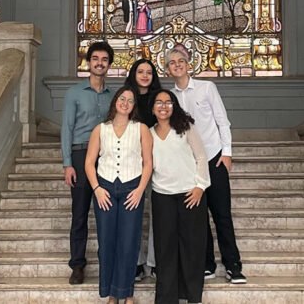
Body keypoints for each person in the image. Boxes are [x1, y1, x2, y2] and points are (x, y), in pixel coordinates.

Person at [165, 45, 247, 284]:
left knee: (222, 214)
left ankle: (233, 266)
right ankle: (207, 264)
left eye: (181, 60)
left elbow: (223, 121)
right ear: (168, 69)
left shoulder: (207, 88)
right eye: (172, 62)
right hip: (189, 165)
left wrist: (227, 153)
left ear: (189, 64)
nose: (177, 64)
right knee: (198, 218)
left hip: (214, 158)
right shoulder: (169, 98)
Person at [85, 86, 153, 304]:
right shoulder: (100, 130)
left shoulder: (141, 129)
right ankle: (111, 294)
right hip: (105, 187)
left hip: (132, 188)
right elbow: (88, 163)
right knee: (107, 242)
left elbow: (148, 163)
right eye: (122, 98)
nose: (125, 102)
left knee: (129, 242)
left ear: (134, 106)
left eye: (130, 100)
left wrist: (140, 189)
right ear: (115, 101)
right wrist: (97, 188)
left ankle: (127, 293)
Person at [149, 89, 210, 304]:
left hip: (189, 194)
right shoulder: (148, 133)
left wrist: (200, 187)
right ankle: (167, 298)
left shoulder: (185, 128)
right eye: (159, 102)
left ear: (174, 106)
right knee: (165, 249)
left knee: (192, 247)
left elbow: (201, 157)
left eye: (168, 102)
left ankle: (193, 296)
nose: (163, 106)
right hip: (162, 195)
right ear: (152, 107)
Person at [61, 41, 115, 285]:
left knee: (107, 213)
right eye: (95, 59)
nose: (99, 63)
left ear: (109, 65)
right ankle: (77, 265)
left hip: (107, 157)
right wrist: (67, 164)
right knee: (80, 213)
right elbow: (66, 129)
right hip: (81, 155)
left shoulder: (113, 96)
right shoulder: (74, 93)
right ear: (89, 62)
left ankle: (109, 262)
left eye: (104, 59)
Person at [124, 59, 163, 281]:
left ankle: (155, 262)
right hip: (133, 163)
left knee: (158, 213)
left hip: (157, 162)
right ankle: (137, 262)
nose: (145, 75)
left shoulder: (160, 98)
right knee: (135, 213)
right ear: (134, 74)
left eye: (149, 72)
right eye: (141, 71)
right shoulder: (126, 99)